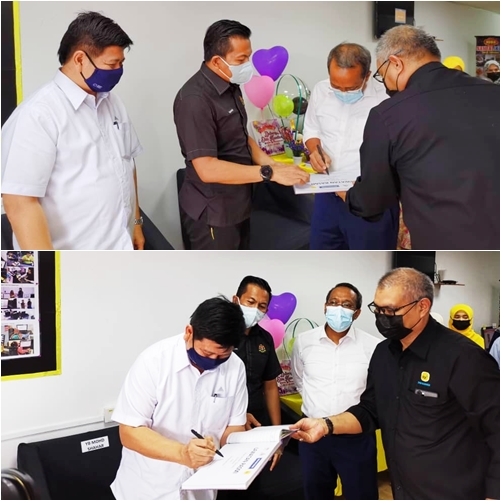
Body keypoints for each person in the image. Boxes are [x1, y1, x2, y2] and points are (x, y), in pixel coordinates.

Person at [290, 268, 500, 500]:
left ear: (422, 307)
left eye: (390, 310)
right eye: (378, 309)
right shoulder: (383, 353)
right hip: (404, 487)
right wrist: (325, 425)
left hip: (454, 490)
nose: (382, 317)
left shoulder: (463, 357)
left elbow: (496, 427)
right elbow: (370, 410)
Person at [343, 25, 499, 250]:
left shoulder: (388, 115)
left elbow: (372, 202)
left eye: (382, 75)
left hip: (447, 241)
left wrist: (350, 196)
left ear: (396, 63)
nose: (385, 84)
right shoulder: (495, 94)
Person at [1, 12, 145, 250]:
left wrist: (136, 223)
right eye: (112, 64)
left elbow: (128, 163)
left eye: (121, 63)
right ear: (80, 59)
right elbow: (19, 203)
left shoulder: (113, 103)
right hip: (69, 258)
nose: (118, 70)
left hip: (119, 248)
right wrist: (48, 266)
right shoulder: (38, 115)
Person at [173, 19, 309, 250]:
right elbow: (207, 168)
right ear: (218, 61)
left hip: (240, 203)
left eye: (249, 57)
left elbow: (239, 136)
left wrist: (272, 164)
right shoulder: (194, 100)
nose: (248, 65)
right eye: (241, 59)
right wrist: (269, 173)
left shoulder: (230, 85)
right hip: (214, 212)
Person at [111, 297, 248, 500]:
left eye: (222, 356)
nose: (213, 361)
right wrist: (182, 453)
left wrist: (245, 453)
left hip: (202, 489)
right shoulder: (153, 362)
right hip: (149, 490)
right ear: (189, 332)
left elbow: (234, 426)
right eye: (206, 353)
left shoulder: (235, 367)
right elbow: (130, 432)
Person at [304, 43, 398, 250]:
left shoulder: (388, 98)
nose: (343, 92)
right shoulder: (321, 90)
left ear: (367, 76)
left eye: (351, 88)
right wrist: (315, 151)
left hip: (369, 199)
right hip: (327, 193)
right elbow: (311, 130)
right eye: (336, 86)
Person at [291, 283, 380, 500]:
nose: (338, 308)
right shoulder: (304, 342)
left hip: (356, 438)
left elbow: (374, 394)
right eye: (333, 302)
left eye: (346, 305)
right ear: (325, 307)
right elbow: (300, 380)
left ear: (357, 313)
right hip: (313, 437)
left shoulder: (374, 347)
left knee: (362, 495)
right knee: (316, 494)